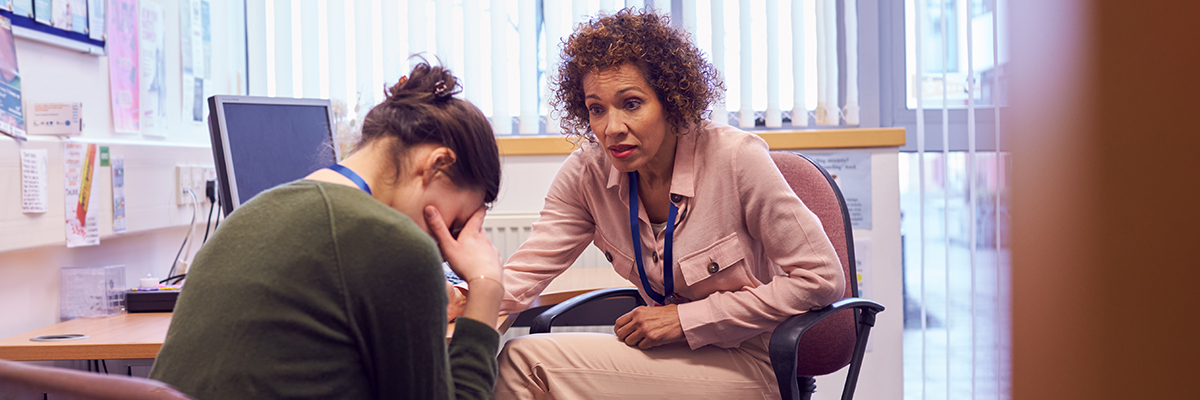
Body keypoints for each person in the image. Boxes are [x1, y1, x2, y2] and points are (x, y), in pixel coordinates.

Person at [457, 9, 846, 399]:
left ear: (672, 101)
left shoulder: (735, 158)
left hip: (746, 361)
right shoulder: (587, 174)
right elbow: (528, 270)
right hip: (662, 357)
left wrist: (686, 319)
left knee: (524, 363)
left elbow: (822, 278)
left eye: (631, 103)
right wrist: (462, 296)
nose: (612, 128)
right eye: (597, 109)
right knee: (520, 359)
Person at [149, 61, 506, 400]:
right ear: (437, 164)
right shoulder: (395, 246)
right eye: (456, 225)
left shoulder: (244, 219)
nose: (450, 249)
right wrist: (486, 286)